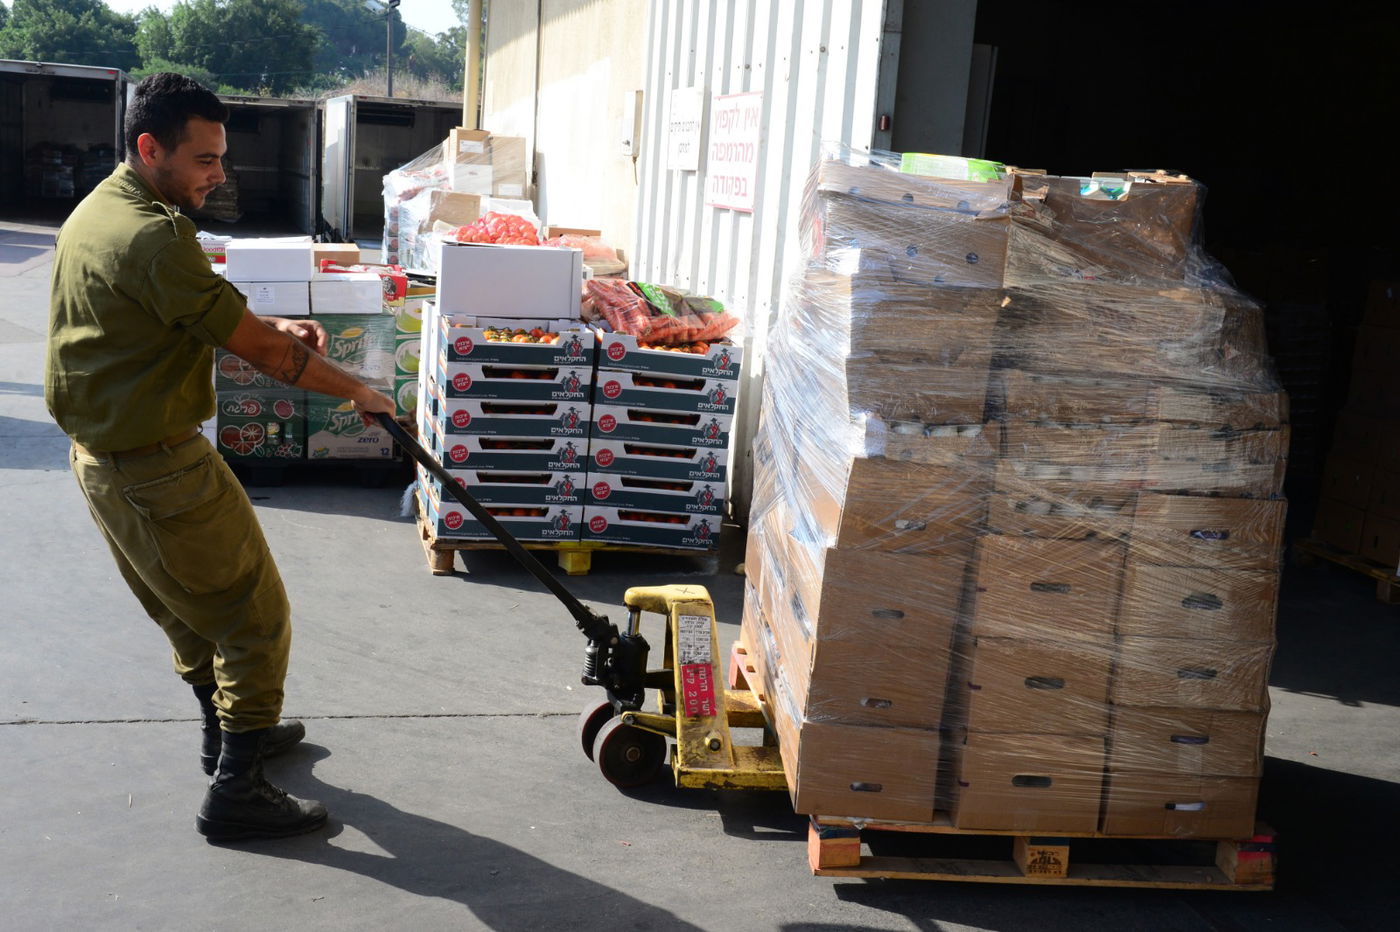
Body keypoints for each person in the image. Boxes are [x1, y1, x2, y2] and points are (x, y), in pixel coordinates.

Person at [45, 73, 396, 842]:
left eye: (220, 157)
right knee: (252, 616)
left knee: (187, 611)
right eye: (204, 159)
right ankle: (238, 786)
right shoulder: (154, 233)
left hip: (107, 460)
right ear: (150, 148)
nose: (219, 174)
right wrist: (360, 392)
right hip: (157, 465)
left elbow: (187, 306)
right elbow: (265, 355)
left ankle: (229, 733)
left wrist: (262, 322)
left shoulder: (105, 210)